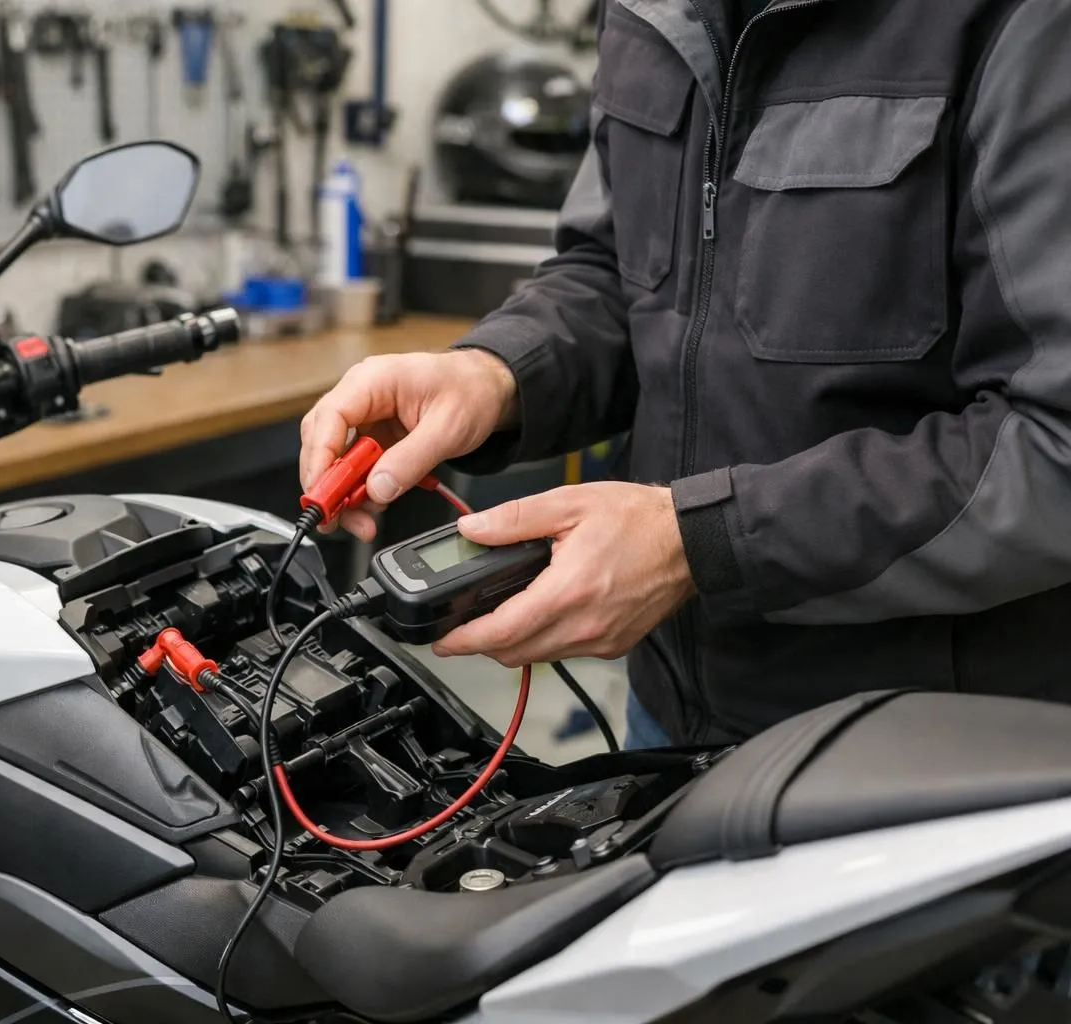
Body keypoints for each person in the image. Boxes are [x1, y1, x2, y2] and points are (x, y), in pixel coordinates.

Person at [299, 0, 1071, 747]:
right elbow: (618, 270)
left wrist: (700, 542)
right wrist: (496, 372)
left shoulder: (1023, 23)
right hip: (669, 712)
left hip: (930, 752)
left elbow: (1056, 445)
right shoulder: (650, 11)